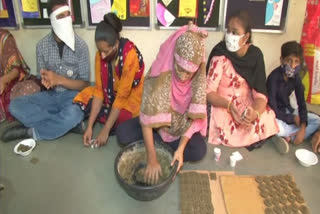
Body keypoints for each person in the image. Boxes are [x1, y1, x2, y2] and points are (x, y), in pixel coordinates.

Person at [116, 23, 208, 184]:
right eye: (181, 69)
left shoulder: (198, 80)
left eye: (190, 72)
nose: (185, 76)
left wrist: (180, 148)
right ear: (174, 58)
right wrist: (152, 160)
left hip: (180, 129)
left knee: (199, 150)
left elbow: (193, 121)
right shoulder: (159, 75)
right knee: (122, 133)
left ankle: (164, 149)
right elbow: (147, 122)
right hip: (156, 127)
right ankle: (158, 149)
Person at [1, 0, 90, 142]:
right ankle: (67, 126)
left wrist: (59, 79)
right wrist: (46, 80)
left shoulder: (81, 46)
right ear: (52, 19)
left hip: (71, 98)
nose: (66, 20)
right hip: (50, 96)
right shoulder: (42, 46)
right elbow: (42, 76)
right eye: (61, 16)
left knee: (75, 113)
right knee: (15, 106)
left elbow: (85, 84)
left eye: (68, 15)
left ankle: (31, 132)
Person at [206, 10, 278, 149]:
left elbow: (260, 95)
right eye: (228, 31)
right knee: (219, 120)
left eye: (235, 32)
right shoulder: (220, 53)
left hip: (246, 102)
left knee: (267, 115)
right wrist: (229, 106)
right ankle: (256, 139)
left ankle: (253, 137)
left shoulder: (256, 55)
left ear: (246, 37)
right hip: (222, 103)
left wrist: (254, 113)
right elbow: (208, 92)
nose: (229, 36)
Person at [73, 13, 145, 148]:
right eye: (99, 50)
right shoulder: (100, 55)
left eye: (106, 51)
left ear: (116, 44)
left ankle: (107, 121)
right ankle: (98, 120)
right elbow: (99, 91)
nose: (102, 55)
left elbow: (122, 97)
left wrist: (105, 131)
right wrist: (89, 127)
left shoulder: (130, 56)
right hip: (110, 95)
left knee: (123, 119)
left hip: (129, 97)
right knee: (83, 98)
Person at [267, 41, 320, 154]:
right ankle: (285, 135)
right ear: (282, 60)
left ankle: (290, 136)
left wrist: (303, 127)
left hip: (288, 110)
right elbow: (272, 107)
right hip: (274, 113)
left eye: (296, 62)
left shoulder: (296, 78)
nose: (292, 65)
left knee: (316, 120)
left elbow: (301, 103)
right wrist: (292, 119)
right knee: (276, 126)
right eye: (289, 60)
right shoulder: (273, 78)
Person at [0, 29, 40, 122]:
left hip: (9, 86)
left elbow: (16, 70)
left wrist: (3, 80)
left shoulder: (4, 38)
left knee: (30, 88)